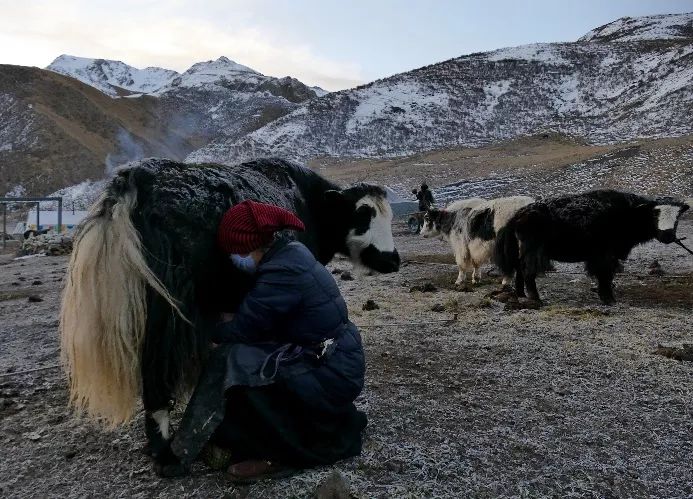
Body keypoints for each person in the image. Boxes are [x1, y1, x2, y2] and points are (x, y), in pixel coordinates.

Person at [156, 200, 367, 483]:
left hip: (330, 368)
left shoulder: (282, 273)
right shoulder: (290, 253)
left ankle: (277, 455)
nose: (232, 257)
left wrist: (198, 332)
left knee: (229, 360)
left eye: (233, 250)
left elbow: (243, 329)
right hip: (331, 356)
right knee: (243, 366)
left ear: (247, 246)